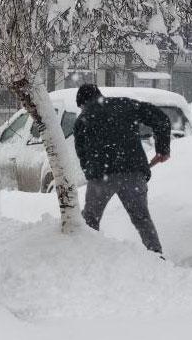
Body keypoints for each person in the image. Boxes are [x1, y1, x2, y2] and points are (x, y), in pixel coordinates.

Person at [73, 84, 171, 256]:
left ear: (82, 103)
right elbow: (161, 118)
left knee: (90, 219)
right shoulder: (125, 105)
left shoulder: (82, 119)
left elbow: (82, 155)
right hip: (132, 174)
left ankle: (86, 257)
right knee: (142, 219)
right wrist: (162, 149)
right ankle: (156, 255)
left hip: (101, 177)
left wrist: (92, 173)